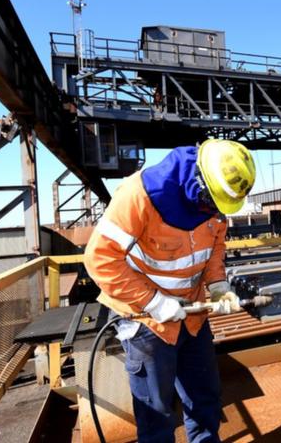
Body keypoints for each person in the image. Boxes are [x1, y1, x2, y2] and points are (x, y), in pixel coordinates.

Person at [84, 139, 256, 443]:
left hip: (192, 316)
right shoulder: (138, 196)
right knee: (156, 414)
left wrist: (218, 287)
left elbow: (214, 248)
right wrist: (154, 302)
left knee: (205, 398)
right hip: (146, 323)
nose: (215, 212)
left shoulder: (214, 200)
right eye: (211, 203)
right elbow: (100, 259)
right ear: (197, 180)